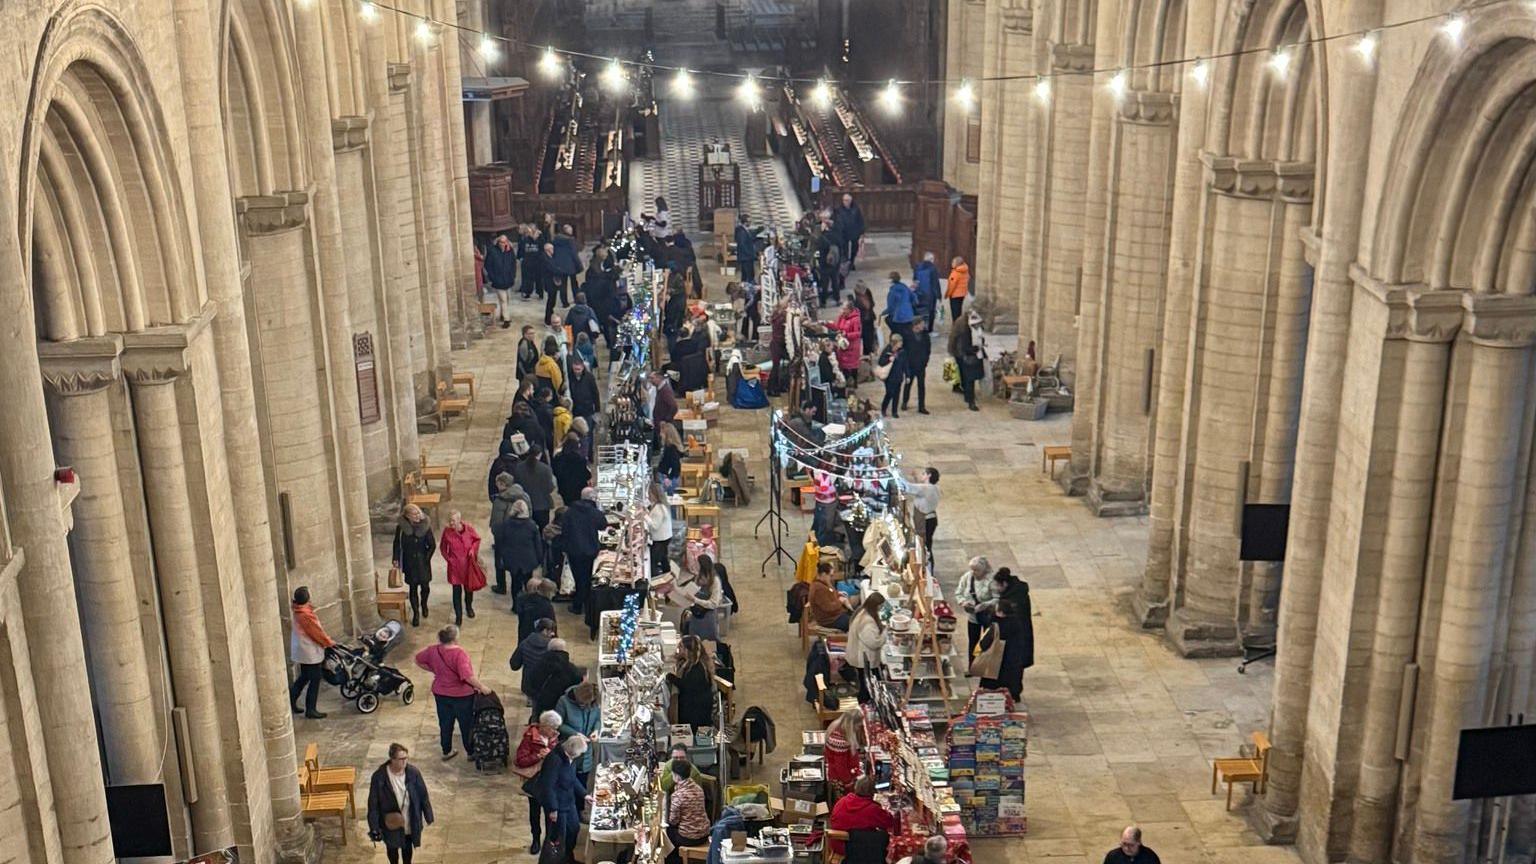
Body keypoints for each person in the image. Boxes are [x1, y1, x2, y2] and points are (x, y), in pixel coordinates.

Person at [414, 625, 491, 760]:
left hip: (441, 693)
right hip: (462, 696)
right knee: (466, 724)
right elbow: (467, 676)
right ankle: (471, 752)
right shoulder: (460, 654)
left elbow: (418, 660)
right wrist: (482, 687)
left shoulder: (433, 650)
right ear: (455, 638)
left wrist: (434, 670)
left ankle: (446, 750)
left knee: (445, 723)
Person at [366, 743, 433, 864]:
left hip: (409, 817)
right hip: (391, 820)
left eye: (406, 758)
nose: (404, 762)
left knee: (407, 846)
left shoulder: (413, 773)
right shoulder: (380, 777)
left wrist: (428, 815)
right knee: (392, 848)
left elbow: (423, 794)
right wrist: (374, 827)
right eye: (401, 759)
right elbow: (373, 804)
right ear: (392, 759)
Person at [513, 711, 562, 855]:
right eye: (553, 728)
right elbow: (520, 760)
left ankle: (549, 840)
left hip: (549, 783)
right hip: (534, 783)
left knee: (550, 813)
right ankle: (535, 839)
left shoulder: (554, 739)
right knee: (534, 813)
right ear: (545, 726)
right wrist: (538, 755)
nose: (555, 732)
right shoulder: (529, 738)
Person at [539, 735, 587, 861]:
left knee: (574, 829)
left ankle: (568, 857)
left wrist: (584, 794)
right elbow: (548, 786)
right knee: (560, 837)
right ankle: (559, 860)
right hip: (558, 805)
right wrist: (553, 808)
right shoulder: (554, 760)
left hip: (569, 802)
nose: (580, 756)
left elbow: (572, 778)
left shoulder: (571, 758)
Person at [288, 586, 334, 719]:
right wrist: (328, 642)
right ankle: (311, 709)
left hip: (303, 650)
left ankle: (292, 698)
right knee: (315, 678)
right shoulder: (305, 615)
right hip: (308, 651)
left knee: (305, 677)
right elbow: (316, 632)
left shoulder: (299, 611)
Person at [560, 488, 605, 615]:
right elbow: (603, 524)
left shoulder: (570, 511)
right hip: (590, 550)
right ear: (593, 499)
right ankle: (584, 603)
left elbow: (565, 530)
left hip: (574, 550)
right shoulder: (594, 512)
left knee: (579, 578)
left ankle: (578, 604)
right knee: (588, 577)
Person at [828, 775, 897, 856]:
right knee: (884, 838)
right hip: (854, 848)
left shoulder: (843, 800)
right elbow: (889, 822)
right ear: (872, 792)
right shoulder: (872, 809)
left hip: (836, 843)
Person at [392, 504, 436, 627]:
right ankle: (416, 613)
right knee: (413, 588)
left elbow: (432, 545)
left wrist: (426, 558)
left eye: (418, 513)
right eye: (414, 514)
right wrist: (396, 558)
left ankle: (424, 604)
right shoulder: (401, 528)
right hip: (409, 562)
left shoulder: (425, 526)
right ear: (407, 516)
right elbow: (397, 544)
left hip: (423, 562)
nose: (418, 516)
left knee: (425, 587)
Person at [980, 599, 1032, 700]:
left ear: (1001, 612)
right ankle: (1012, 696)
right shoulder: (1017, 622)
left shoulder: (996, 624)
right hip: (1013, 658)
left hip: (996, 658)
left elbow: (986, 641)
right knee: (1011, 680)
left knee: (993, 681)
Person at [439, 511, 484, 625]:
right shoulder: (447, 532)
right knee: (456, 592)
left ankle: (469, 607)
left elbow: (477, 539)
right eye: (450, 521)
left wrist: (473, 550)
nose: (451, 523)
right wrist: (449, 559)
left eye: (453, 521)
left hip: (468, 565)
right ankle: (458, 616)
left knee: (469, 588)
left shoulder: (468, 528)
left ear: (459, 520)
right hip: (455, 567)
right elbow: (443, 548)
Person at [493, 499, 544, 599]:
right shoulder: (531, 525)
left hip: (513, 559)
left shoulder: (506, 525)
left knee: (515, 583)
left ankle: (516, 605)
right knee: (529, 583)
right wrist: (539, 559)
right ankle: (528, 603)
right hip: (528, 560)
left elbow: (501, 542)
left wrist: (502, 557)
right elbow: (538, 544)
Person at [665, 758, 712, 863]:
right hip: (705, 833)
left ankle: (676, 860)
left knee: (666, 833)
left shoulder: (678, 795)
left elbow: (673, 821)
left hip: (689, 838)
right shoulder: (698, 788)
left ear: (676, 776)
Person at [556, 681, 600, 788]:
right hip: (570, 750)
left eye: (588, 704)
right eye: (583, 703)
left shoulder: (593, 703)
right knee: (567, 785)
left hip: (586, 755)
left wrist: (596, 730)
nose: (585, 706)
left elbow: (597, 719)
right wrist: (575, 733)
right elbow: (558, 724)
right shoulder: (563, 702)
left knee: (582, 785)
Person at [669, 635, 717, 731]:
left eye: (681, 647)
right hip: (697, 703)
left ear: (688, 650)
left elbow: (685, 686)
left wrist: (670, 677)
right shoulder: (697, 663)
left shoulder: (697, 669)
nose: (679, 649)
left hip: (697, 711)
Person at [844, 592, 886, 703]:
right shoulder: (867, 623)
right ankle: (864, 704)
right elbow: (874, 643)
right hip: (863, 659)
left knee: (866, 682)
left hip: (860, 655)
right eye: (880, 607)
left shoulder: (862, 612)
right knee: (866, 685)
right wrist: (885, 633)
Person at [531, 637, 585, 716]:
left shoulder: (538, 665)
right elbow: (579, 683)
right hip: (562, 705)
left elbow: (531, 681)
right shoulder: (570, 668)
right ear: (563, 650)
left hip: (542, 703)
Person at [956, 556, 995, 659]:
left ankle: (986, 666)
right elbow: (958, 593)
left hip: (988, 616)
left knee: (988, 642)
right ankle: (972, 666)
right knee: (973, 641)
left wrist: (984, 605)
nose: (973, 572)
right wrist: (963, 602)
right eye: (972, 569)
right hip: (973, 617)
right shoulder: (967, 577)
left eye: (977, 570)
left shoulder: (992, 581)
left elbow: (998, 598)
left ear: (984, 570)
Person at [510, 617, 557, 702]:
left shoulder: (525, 643)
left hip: (528, 683)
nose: (553, 634)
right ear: (545, 630)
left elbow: (514, 664)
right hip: (545, 685)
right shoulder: (551, 647)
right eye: (551, 631)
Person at [823, 706, 865, 795]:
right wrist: (848, 782)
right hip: (841, 780)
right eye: (858, 725)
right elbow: (840, 766)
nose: (858, 728)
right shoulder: (840, 740)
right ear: (852, 724)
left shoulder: (838, 727)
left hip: (842, 775)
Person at [514, 446, 557, 527]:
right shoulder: (546, 469)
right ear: (540, 454)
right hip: (542, 505)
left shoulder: (519, 468)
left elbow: (516, 486)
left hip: (524, 505)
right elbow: (550, 488)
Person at [484, 234, 518, 328]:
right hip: (498, 280)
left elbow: (513, 264)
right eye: (501, 242)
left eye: (504, 242)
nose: (503, 244)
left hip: (508, 280)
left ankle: (503, 315)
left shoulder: (509, 251)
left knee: (507, 299)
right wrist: (492, 277)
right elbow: (488, 265)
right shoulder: (492, 251)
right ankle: (507, 319)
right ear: (498, 242)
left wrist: (512, 276)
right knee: (503, 300)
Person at [809, 561, 853, 631]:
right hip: (830, 620)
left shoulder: (823, 583)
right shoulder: (819, 589)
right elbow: (828, 607)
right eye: (830, 575)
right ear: (823, 574)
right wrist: (840, 601)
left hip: (835, 615)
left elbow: (830, 592)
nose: (832, 578)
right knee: (856, 624)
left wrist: (838, 593)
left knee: (856, 616)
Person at [905, 468, 941, 553]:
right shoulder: (933, 487)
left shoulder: (927, 488)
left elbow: (909, 487)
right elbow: (920, 488)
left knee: (924, 546)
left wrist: (896, 477)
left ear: (929, 475)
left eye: (924, 474)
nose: (922, 475)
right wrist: (915, 478)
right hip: (930, 519)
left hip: (925, 521)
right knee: (926, 544)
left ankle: (928, 565)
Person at [831, 298, 864, 383]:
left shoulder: (856, 319)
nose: (842, 310)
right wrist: (827, 324)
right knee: (844, 365)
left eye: (844, 309)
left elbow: (858, 333)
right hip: (843, 345)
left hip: (852, 346)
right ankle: (847, 382)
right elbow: (836, 327)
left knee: (853, 366)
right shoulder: (841, 317)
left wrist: (847, 334)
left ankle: (854, 382)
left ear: (849, 310)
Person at [515, 577, 557, 642]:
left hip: (524, 633)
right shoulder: (547, 607)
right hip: (540, 638)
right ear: (549, 592)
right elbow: (551, 625)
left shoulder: (524, 599)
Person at [551, 435, 591, 505]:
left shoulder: (558, 459)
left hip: (564, 487)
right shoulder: (580, 460)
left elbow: (555, 472)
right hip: (578, 488)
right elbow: (586, 475)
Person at [901, 327, 932, 414]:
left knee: (921, 386)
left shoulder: (925, 335)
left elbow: (928, 349)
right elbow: (905, 350)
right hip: (911, 365)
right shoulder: (907, 335)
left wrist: (925, 361)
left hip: (921, 365)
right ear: (915, 326)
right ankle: (904, 402)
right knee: (908, 384)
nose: (923, 326)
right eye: (921, 324)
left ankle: (921, 406)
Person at [646, 482, 674, 577]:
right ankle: (667, 575)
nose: (648, 496)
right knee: (663, 558)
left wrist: (645, 517)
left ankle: (655, 579)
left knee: (653, 561)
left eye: (649, 494)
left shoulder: (659, 509)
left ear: (654, 494)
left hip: (661, 539)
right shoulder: (661, 505)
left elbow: (654, 526)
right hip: (665, 537)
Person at [877, 333, 908, 419]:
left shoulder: (902, 352)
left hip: (898, 376)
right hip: (889, 377)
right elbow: (880, 362)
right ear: (895, 343)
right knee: (889, 393)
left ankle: (894, 411)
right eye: (900, 342)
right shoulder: (887, 350)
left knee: (897, 395)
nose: (901, 344)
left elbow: (905, 364)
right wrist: (888, 359)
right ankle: (883, 409)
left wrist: (907, 375)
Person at [832, 192, 865, 269]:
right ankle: (846, 261)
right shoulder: (839, 210)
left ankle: (852, 261)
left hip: (854, 232)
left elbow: (860, 220)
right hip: (843, 233)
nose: (845, 202)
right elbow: (836, 220)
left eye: (847, 200)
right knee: (844, 248)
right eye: (844, 200)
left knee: (854, 248)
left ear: (851, 200)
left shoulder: (856, 209)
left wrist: (862, 232)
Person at [883, 271, 916, 344]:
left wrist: (883, 313)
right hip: (909, 315)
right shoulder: (905, 287)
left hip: (899, 317)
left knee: (894, 330)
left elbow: (890, 308)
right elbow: (914, 298)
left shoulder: (892, 291)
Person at [568, 356, 600, 424]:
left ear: (582, 367)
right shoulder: (569, 377)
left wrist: (597, 409)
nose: (576, 371)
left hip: (587, 410)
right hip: (575, 410)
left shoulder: (589, 377)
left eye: (578, 369)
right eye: (575, 369)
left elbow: (595, 393)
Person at [912, 252, 939, 332]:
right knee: (931, 312)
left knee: (920, 311)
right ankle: (929, 330)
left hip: (919, 293)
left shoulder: (917, 266)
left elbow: (914, 280)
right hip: (930, 295)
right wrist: (938, 295)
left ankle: (919, 328)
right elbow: (935, 284)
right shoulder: (933, 268)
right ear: (931, 259)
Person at [655, 422, 685, 492]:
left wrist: (669, 477)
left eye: (662, 433)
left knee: (667, 497)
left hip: (666, 477)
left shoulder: (671, 448)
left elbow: (675, 465)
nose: (660, 435)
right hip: (667, 476)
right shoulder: (670, 448)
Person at [518, 223, 544, 299]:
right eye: (529, 229)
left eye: (532, 229)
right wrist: (520, 257)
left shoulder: (540, 238)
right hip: (528, 261)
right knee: (528, 279)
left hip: (538, 261)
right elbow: (521, 248)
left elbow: (542, 247)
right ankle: (527, 293)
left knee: (539, 279)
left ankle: (540, 293)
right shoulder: (525, 239)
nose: (531, 231)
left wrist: (536, 238)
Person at [854, 283, 878, 358]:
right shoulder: (857, 299)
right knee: (865, 337)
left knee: (871, 335)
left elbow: (872, 303)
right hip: (863, 320)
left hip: (870, 318)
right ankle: (867, 353)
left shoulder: (868, 293)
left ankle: (871, 351)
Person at [959, 344, 985, 411]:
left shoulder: (964, 333)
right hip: (967, 358)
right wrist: (976, 348)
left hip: (963, 355)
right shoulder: (965, 334)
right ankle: (970, 401)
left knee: (967, 378)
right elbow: (964, 348)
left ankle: (969, 398)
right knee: (969, 379)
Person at [945, 256, 970, 325]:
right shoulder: (965, 271)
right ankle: (959, 326)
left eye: (953, 262)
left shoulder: (956, 273)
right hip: (962, 294)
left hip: (955, 295)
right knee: (959, 312)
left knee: (955, 313)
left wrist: (947, 294)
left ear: (957, 263)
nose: (952, 263)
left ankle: (956, 328)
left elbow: (952, 285)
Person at [734, 213, 758, 282]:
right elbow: (742, 245)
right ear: (745, 222)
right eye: (749, 222)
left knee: (746, 275)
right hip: (746, 257)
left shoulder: (743, 229)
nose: (750, 223)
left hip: (746, 257)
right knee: (748, 276)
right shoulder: (741, 232)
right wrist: (751, 255)